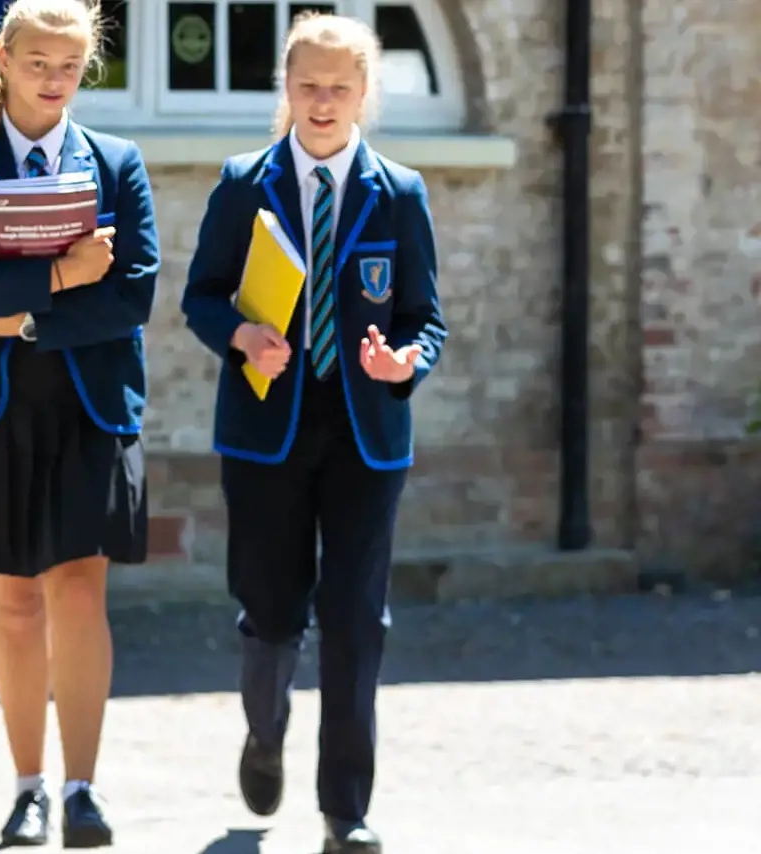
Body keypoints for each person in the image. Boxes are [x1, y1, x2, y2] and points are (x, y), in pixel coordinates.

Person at [179, 13, 446, 854]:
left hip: (367, 432)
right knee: (271, 608)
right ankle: (264, 734)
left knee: (358, 616)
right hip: (267, 427)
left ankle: (346, 810)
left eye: (340, 87)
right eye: (308, 86)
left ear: (365, 93)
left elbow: (424, 318)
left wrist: (407, 361)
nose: (323, 102)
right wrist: (239, 334)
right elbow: (202, 295)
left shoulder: (399, 194)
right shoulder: (242, 182)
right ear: (286, 92)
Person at [0, 0, 159, 846]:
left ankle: (83, 789)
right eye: (38, 63)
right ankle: (27, 789)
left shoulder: (119, 161)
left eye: (69, 66)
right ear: (6, 59)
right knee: (13, 604)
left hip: (88, 406)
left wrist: (20, 313)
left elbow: (133, 296)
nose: (54, 81)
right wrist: (58, 282)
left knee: (80, 591)